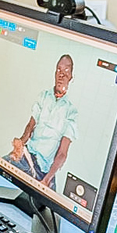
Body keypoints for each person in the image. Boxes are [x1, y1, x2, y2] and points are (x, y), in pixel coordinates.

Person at [6, 55, 77, 189]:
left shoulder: (71, 111)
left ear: (71, 77)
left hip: (43, 170)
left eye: (66, 71)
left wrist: (46, 180)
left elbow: (62, 154)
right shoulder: (44, 96)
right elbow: (30, 127)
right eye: (59, 70)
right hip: (26, 157)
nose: (61, 74)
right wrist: (20, 144)